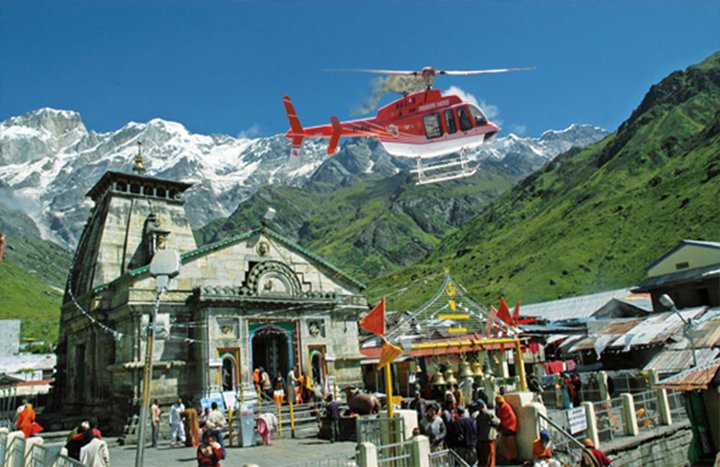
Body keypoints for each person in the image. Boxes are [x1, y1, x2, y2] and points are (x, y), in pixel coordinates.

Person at [474, 399, 499, 467]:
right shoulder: (478, 416)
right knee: (484, 461)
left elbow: (497, 422)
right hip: (481, 441)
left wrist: (491, 423)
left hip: (488, 440)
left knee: (489, 461)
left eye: (477, 406)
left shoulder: (488, 414)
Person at [495, 395, 518, 463]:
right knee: (511, 443)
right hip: (511, 427)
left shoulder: (503, 407)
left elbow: (500, 416)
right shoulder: (506, 405)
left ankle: (509, 458)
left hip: (508, 427)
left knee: (506, 444)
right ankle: (512, 458)